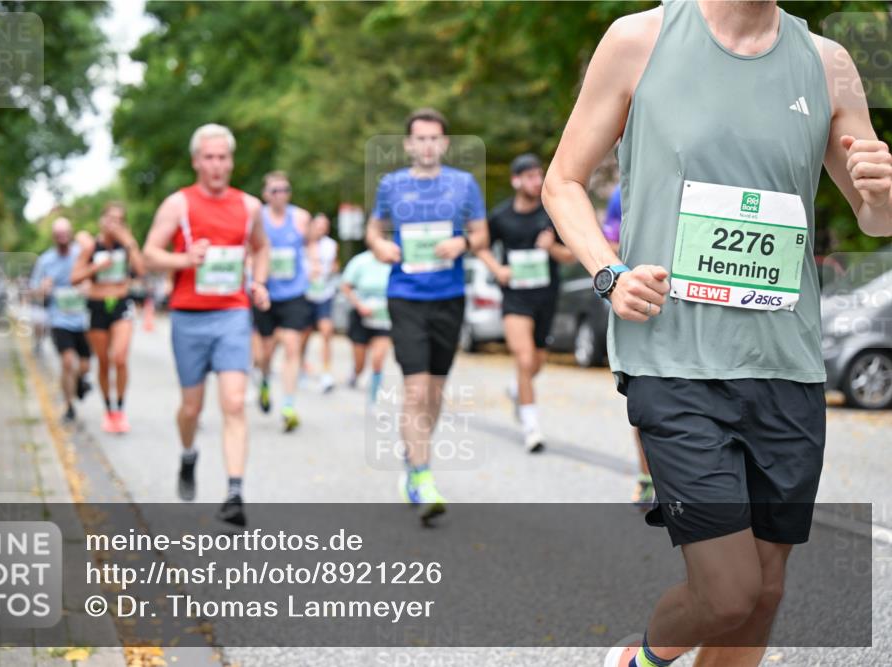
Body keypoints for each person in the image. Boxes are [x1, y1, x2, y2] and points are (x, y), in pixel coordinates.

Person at [541, 2, 891, 666]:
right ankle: (638, 660)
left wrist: (882, 188)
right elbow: (563, 180)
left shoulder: (828, 64)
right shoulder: (638, 40)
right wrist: (609, 272)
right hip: (672, 358)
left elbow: (875, 217)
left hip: (786, 365)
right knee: (729, 591)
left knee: (765, 592)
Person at [143, 123, 270, 527]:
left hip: (232, 313)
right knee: (192, 407)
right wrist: (184, 261)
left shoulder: (249, 207)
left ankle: (234, 492)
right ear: (197, 161)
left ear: (231, 162)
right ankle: (188, 453)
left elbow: (262, 247)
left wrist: (260, 282)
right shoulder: (178, 204)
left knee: (234, 402)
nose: (216, 165)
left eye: (223, 157)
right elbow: (149, 254)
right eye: (209, 157)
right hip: (189, 316)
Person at [366, 108, 489, 523]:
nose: (427, 145)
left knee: (434, 393)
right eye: (420, 138)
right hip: (405, 296)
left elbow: (481, 233)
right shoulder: (391, 185)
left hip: (448, 296)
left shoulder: (463, 184)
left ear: (445, 143)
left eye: (435, 138)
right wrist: (381, 248)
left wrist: (462, 245)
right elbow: (373, 231)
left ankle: (412, 455)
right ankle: (422, 474)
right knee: (416, 390)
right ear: (407, 145)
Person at [477, 153, 574, 453]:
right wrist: (498, 270)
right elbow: (479, 247)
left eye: (539, 175)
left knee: (536, 362)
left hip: (546, 295)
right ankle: (532, 428)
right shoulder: (501, 216)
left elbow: (572, 254)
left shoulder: (552, 213)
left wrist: (553, 247)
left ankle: (517, 388)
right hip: (515, 297)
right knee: (523, 357)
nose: (537, 181)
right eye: (530, 176)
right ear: (515, 180)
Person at [71, 202, 146, 434]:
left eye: (119, 220)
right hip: (97, 305)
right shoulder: (92, 247)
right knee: (103, 361)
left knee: (120, 358)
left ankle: (121, 409)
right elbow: (74, 277)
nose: (114, 224)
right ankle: (109, 410)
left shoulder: (127, 246)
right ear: (101, 221)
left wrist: (130, 243)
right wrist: (95, 268)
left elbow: (142, 271)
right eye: (110, 219)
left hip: (121, 303)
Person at [605, 183, 656, 511]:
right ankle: (646, 476)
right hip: (642, 298)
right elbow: (606, 243)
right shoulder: (620, 192)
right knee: (647, 398)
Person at [253, 171, 313, 432]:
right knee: (265, 353)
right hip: (266, 292)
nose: (281, 195)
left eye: (285, 189)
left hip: (293, 293)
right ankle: (264, 380)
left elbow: (310, 244)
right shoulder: (258, 218)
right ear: (266, 194)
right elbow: (249, 250)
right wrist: (253, 279)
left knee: (292, 346)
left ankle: (288, 406)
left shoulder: (300, 218)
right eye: (275, 190)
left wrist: (316, 267)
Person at [30, 217, 92, 424]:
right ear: (54, 237)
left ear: (71, 233)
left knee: (84, 366)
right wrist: (43, 289)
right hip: (59, 319)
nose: (62, 238)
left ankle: (81, 381)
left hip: (81, 319)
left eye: (65, 234)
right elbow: (34, 290)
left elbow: (93, 277)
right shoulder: (45, 260)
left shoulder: (80, 255)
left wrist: (87, 286)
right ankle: (69, 406)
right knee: (67, 362)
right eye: (58, 235)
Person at [340, 248, 392, 404]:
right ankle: (356, 373)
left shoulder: (394, 261)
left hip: (384, 317)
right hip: (361, 316)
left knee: (378, 358)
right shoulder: (360, 261)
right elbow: (346, 286)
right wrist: (359, 305)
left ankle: (373, 396)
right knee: (360, 363)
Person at [302, 213, 340, 393]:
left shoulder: (331, 245)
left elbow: (334, 266)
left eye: (325, 225)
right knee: (304, 334)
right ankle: (300, 366)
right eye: (318, 225)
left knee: (326, 331)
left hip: (324, 293)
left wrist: (333, 269)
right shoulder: (302, 243)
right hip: (305, 294)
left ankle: (326, 372)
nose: (321, 228)